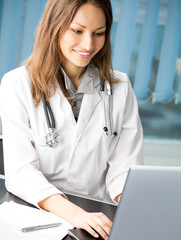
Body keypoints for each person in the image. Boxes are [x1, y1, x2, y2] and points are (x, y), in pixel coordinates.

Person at [0, 0, 143, 239]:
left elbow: (123, 171)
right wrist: (76, 215)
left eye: (99, 33)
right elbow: (21, 172)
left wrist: (136, 212)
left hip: (95, 217)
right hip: (35, 215)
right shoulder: (17, 84)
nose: (89, 44)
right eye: (77, 30)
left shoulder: (119, 87)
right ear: (54, 26)